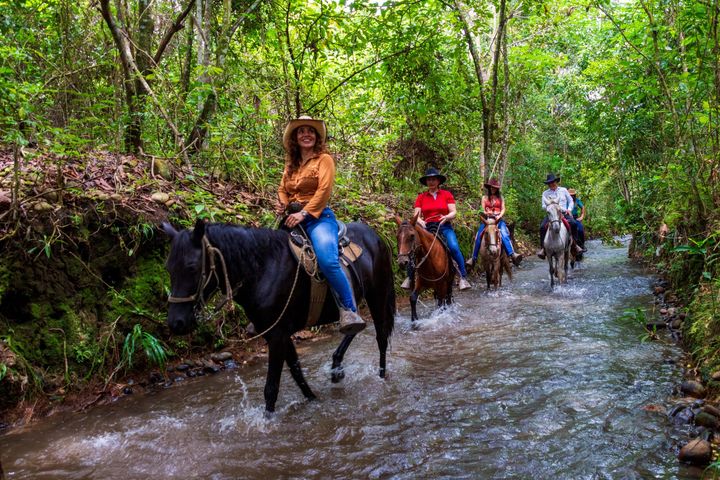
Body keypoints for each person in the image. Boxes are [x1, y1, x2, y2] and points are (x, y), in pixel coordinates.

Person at [277, 115, 365, 334]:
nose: (306, 134)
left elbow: (324, 190)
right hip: (292, 218)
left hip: (318, 219)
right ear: (295, 138)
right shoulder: (291, 164)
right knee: (270, 258)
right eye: (301, 131)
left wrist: (304, 213)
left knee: (327, 260)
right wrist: (284, 205)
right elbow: (282, 189)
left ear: (316, 137)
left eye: (310, 131)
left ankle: (349, 310)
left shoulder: (324, 159)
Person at [403, 167, 471, 290]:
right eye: (429, 180)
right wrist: (421, 222)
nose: (431, 182)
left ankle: (463, 277)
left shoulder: (446, 194)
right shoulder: (421, 197)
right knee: (414, 248)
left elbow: (453, 212)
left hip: (444, 226)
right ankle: (409, 278)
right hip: (427, 227)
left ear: (438, 181)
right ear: (426, 182)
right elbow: (416, 215)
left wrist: (446, 217)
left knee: (454, 247)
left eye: (434, 179)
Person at [466, 178, 523, 268]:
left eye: (495, 188)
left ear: (497, 189)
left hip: (498, 220)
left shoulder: (501, 197)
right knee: (478, 235)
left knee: (504, 234)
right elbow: (483, 209)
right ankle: (473, 258)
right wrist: (486, 213)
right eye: (491, 187)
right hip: (487, 221)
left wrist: (499, 215)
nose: (493, 189)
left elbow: (503, 208)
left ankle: (512, 254)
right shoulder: (484, 198)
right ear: (489, 188)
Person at [537, 173, 582, 259]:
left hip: (564, 213)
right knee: (542, 227)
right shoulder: (545, 193)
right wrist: (549, 206)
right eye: (549, 183)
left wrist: (569, 209)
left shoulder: (563, 190)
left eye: (552, 182)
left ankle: (575, 245)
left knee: (573, 224)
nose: (551, 184)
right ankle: (543, 248)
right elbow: (543, 205)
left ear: (555, 182)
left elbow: (571, 201)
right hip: (552, 214)